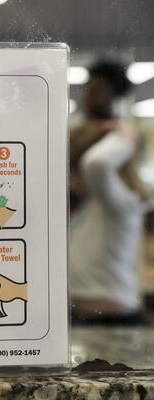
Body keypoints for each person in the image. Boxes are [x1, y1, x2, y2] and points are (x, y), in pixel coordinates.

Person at [69, 60, 149, 325]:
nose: (73, 178)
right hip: (81, 315)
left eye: (76, 169)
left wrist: (126, 136)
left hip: (114, 318)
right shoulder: (81, 205)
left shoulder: (122, 200)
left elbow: (98, 164)